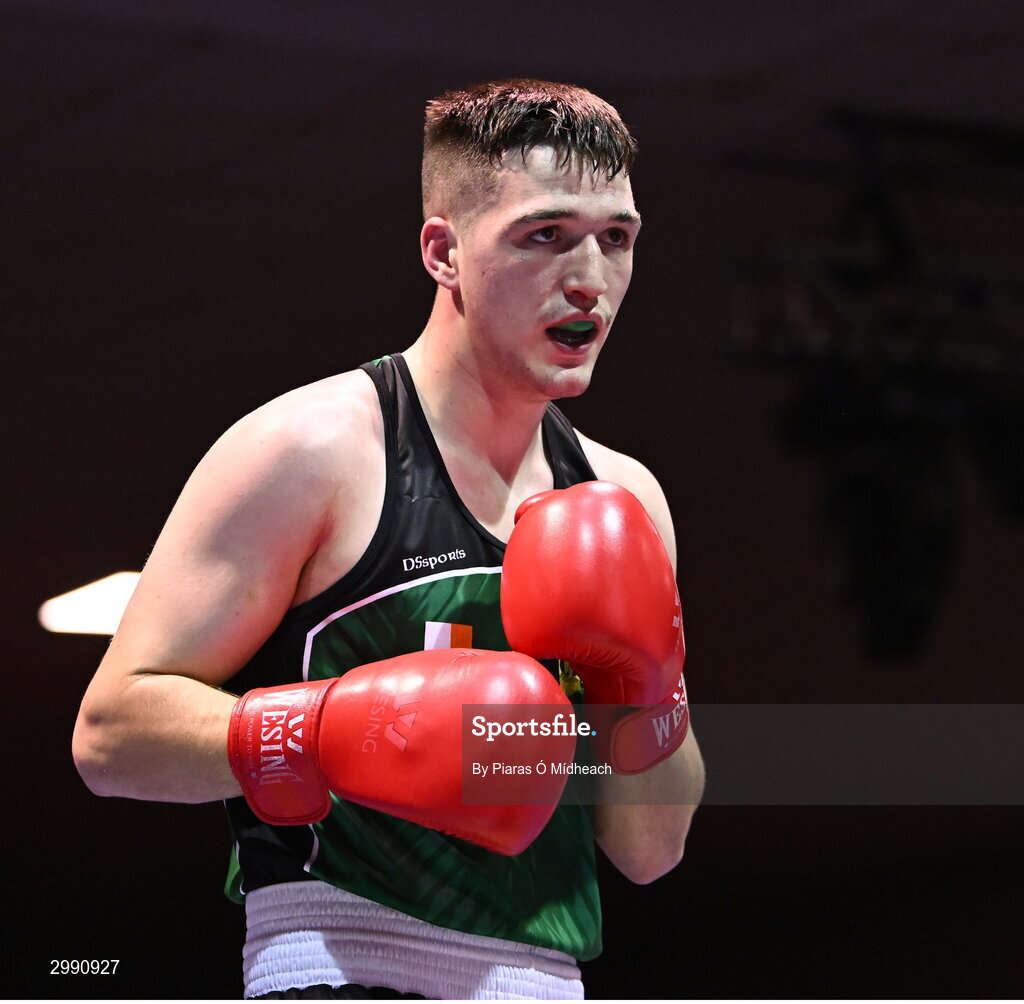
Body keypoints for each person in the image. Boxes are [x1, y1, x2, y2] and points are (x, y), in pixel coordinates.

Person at [73, 78, 706, 1000]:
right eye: (544, 235)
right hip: (333, 967)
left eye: (616, 238)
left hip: (548, 981)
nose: (590, 279)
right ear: (443, 252)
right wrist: (335, 732)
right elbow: (110, 736)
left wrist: (646, 689)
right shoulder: (313, 450)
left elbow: (652, 848)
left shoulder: (624, 499)